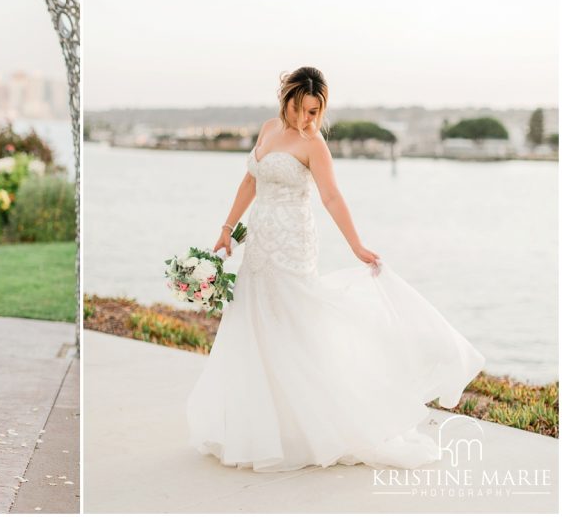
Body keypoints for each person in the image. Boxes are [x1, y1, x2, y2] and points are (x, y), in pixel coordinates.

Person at [187, 66, 485, 471]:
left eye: (315, 112)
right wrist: (226, 229)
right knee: (255, 325)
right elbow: (249, 183)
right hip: (257, 243)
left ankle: (323, 423)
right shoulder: (268, 128)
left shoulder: (314, 145)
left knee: (295, 325)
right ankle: (263, 426)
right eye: (303, 109)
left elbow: (331, 197)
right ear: (287, 100)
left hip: (293, 244)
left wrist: (356, 245)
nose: (309, 119)